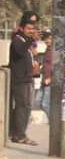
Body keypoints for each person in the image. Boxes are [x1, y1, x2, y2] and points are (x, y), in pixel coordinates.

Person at [7, 11, 38, 144]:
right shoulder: (17, 40)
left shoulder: (25, 41)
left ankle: (20, 133)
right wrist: (31, 39)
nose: (31, 31)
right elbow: (19, 52)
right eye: (29, 29)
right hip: (20, 80)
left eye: (33, 29)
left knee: (26, 107)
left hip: (27, 79)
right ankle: (19, 135)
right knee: (22, 107)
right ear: (22, 28)